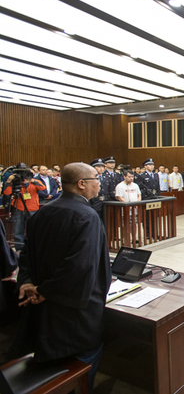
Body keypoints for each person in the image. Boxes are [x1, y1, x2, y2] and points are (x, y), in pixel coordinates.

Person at [10, 162, 111, 392]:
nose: (99, 182)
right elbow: (79, 267)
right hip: (73, 313)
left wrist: (26, 281)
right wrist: (45, 292)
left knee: (52, 356)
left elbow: (25, 252)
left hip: (43, 309)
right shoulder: (87, 216)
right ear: (82, 184)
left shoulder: (44, 210)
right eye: (96, 177)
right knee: (85, 356)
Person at [2, 165, 46, 251]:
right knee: (18, 230)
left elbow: (43, 187)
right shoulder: (15, 183)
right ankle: (19, 249)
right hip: (18, 208)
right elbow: (7, 192)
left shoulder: (34, 181)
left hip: (33, 209)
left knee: (33, 229)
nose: (24, 178)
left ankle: (32, 247)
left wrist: (31, 179)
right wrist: (9, 181)